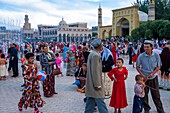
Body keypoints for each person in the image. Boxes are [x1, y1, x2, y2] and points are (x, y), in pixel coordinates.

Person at [136, 40, 165, 113]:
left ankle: (160, 110)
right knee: (144, 95)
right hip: (144, 79)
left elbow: (159, 66)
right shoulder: (141, 56)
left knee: (156, 95)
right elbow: (137, 67)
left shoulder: (156, 55)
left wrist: (153, 73)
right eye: (145, 47)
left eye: (147, 47)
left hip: (153, 77)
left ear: (151, 47)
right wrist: (142, 75)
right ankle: (146, 109)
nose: (146, 48)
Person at [85, 38, 108, 113]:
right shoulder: (96, 55)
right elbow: (95, 71)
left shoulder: (92, 53)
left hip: (90, 82)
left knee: (90, 102)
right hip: (95, 83)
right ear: (99, 45)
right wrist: (97, 84)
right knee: (100, 102)